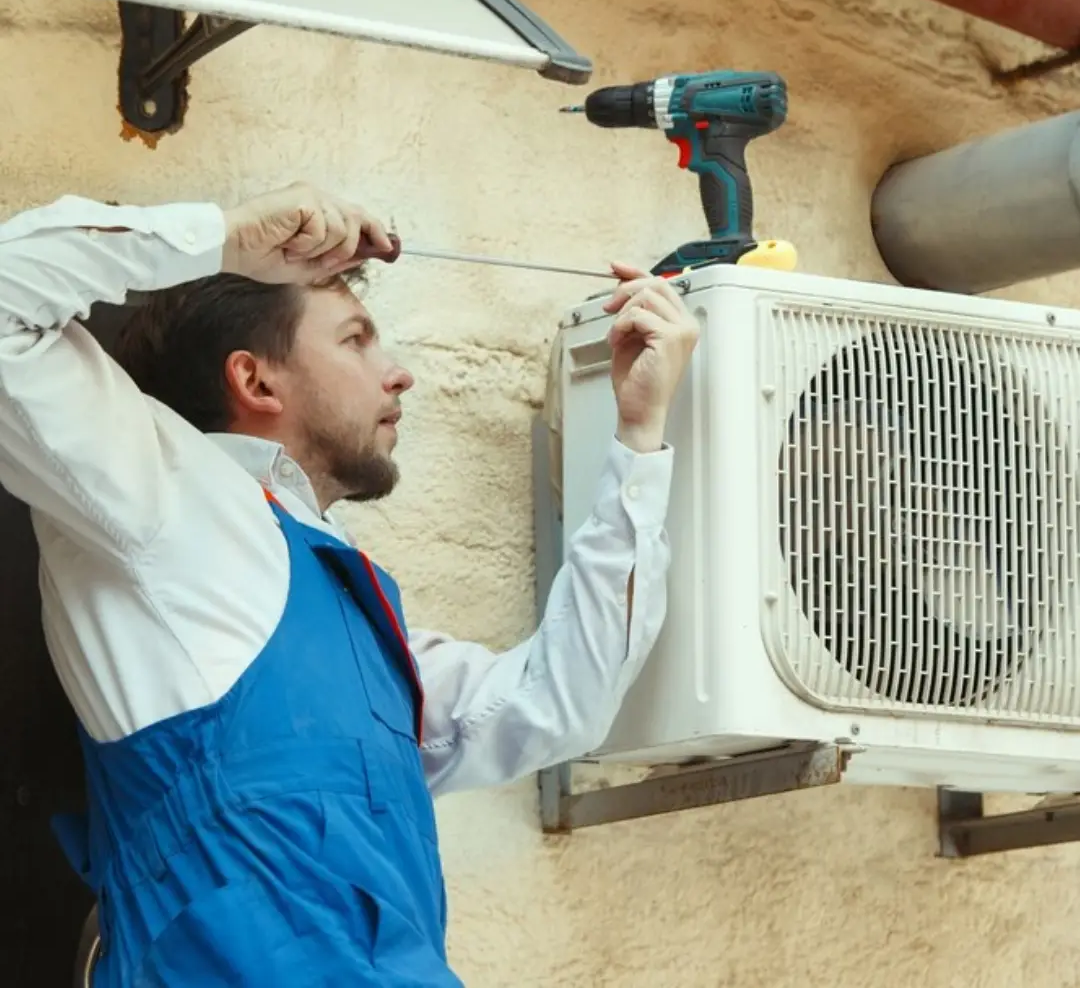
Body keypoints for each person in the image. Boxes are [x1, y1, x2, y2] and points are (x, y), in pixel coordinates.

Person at [0, 183, 699, 986]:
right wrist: (227, 238)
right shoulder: (159, 494)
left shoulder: (357, 611)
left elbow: (557, 702)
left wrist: (640, 438)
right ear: (256, 382)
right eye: (358, 340)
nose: (398, 374)